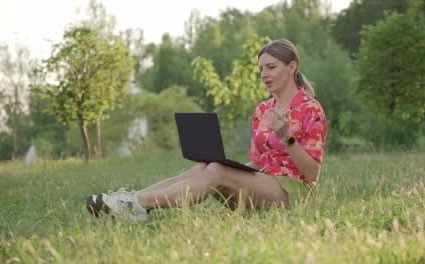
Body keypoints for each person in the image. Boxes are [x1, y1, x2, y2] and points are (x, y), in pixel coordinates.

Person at [86, 39, 328, 223]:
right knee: (206, 166)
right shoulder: (263, 109)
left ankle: (140, 204)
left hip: (294, 191)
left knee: (216, 171)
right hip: (262, 186)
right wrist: (233, 167)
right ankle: (131, 198)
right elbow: (257, 161)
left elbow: (312, 172)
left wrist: (287, 137)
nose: (263, 75)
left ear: (291, 67)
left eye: (271, 67)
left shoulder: (310, 109)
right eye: (261, 69)